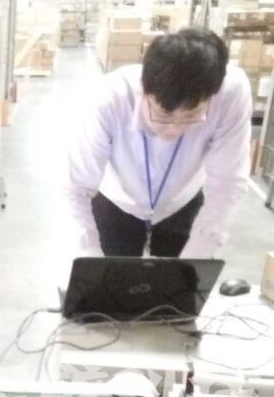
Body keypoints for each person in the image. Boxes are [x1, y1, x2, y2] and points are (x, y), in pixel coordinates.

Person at [65, 27, 252, 259]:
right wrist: (90, 256)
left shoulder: (231, 92)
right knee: (111, 275)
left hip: (182, 199)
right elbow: (76, 187)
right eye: (163, 115)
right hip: (118, 200)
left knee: (181, 277)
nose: (173, 130)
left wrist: (196, 259)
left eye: (191, 116)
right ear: (144, 88)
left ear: (212, 95)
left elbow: (228, 182)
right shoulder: (110, 97)